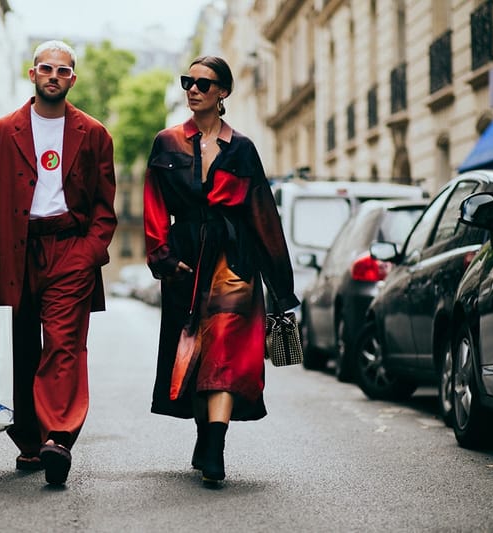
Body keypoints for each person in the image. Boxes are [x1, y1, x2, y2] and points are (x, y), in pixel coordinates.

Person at [143, 56, 299, 485]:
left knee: (227, 347)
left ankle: (215, 446)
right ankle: (203, 431)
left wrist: (281, 287)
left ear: (223, 92)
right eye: (188, 81)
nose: (193, 89)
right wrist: (160, 256)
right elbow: (154, 203)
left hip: (235, 257)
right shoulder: (167, 142)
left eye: (204, 84)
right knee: (194, 350)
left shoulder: (243, 149)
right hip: (186, 259)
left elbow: (263, 214)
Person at [0, 40, 117, 485]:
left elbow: (104, 207)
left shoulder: (94, 134)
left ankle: (58, 437)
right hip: (16, 250)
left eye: (63, 70)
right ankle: (30, 441)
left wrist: (88, 255)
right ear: (32, 74)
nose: (54, 76)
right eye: (46, 68)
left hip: (69, 250)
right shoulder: (0, 132)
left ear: (73, 79)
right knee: (20, 347)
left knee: (63, 343)